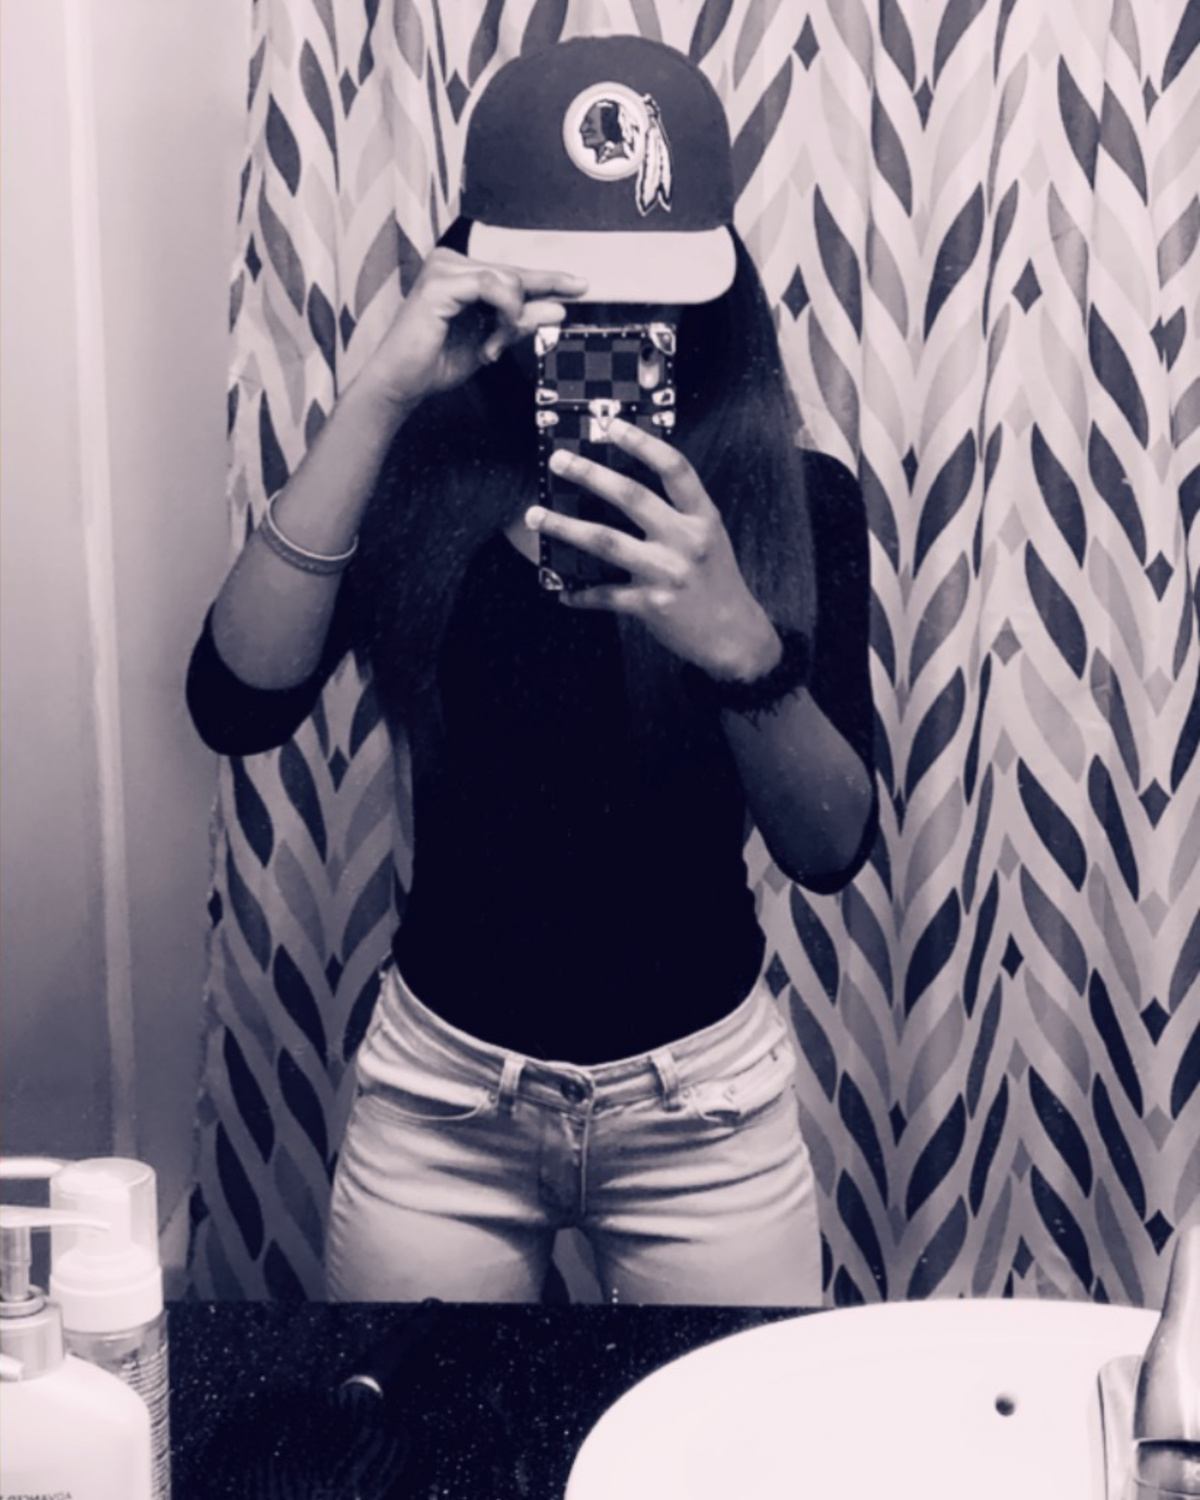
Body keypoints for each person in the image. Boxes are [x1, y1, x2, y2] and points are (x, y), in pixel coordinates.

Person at [187, 35, 876, 1306]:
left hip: (703, 1111)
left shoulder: (796, 497)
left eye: (646, 294)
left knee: (723, 1426)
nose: (607, 328)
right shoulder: (419, 475)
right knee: (414, 1424)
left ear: (713, 287)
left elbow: (832, 848)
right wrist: (383, 396)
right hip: (442, 1099)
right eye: (569, 294)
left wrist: (737, 640)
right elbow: (236, 703)